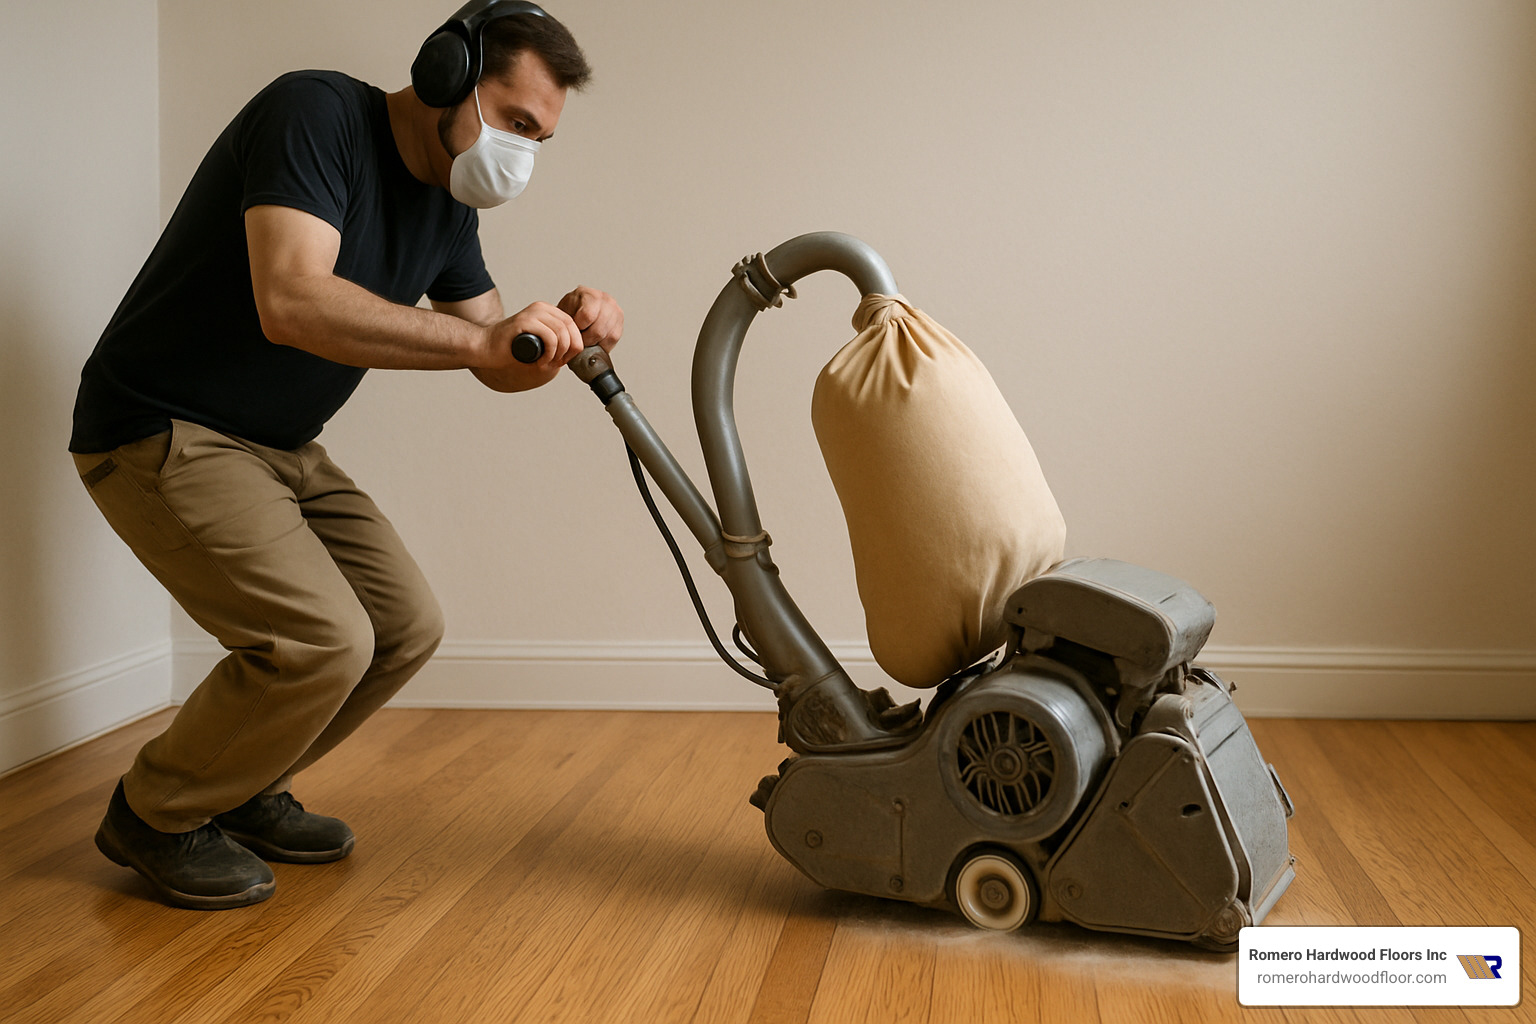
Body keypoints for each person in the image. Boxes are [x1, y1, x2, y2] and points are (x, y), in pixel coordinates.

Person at [68, 1, 619, 909]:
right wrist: (486, 343)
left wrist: (559, 333)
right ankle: (153, 813)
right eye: (516, 121)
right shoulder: (316, 114)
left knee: (405, 626)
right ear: (447, 72)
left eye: (539, 139)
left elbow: (493, 360)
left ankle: (241, 786)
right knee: (323, 639)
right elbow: (291, 299)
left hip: (281, 446)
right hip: (162, 426)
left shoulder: (448, 208)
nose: (522, 154)